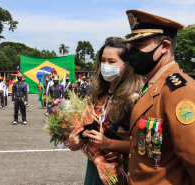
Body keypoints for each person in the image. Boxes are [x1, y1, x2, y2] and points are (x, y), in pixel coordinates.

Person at [124, 9, 195, 185]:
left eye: (139, 46)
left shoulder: (179, 90)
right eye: (131, 47)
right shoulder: (152, 85)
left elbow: (192, 157)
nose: (132, 53)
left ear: (164, 46)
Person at [67, 38, 141, 185]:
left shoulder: (135, 100)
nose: (105, 66)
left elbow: (141, 145)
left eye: (112, 61)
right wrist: (74, 142)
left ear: (127, 66)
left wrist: (108, 143)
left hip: (122, 171)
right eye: (103, 60)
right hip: (96, 167)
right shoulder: (97, 96)